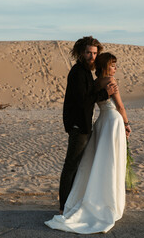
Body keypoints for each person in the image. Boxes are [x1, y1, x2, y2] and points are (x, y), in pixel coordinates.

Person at [45, 52, 131, 234]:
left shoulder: (95, 82)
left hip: (101, 122)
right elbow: (121, 106)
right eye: (113, 65)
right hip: (113, 122)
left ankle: (81, 201)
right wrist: (126, 123)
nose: (116, 68)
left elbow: (92, 100)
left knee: (99, 161)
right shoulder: (110, 82)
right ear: (106, 66)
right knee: (111, 162)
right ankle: (105, 202)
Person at [58, 36, 118, 215]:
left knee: (78, 165)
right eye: (88, 53)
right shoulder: (78, 73)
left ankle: (70, 203)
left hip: (83, 125)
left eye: (94, 53)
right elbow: (83, 101)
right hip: (78, 126)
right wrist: (105, 94)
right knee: (71, 166)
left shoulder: (86, 72)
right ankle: (63, 207)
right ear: (81, 53)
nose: (92, 57)